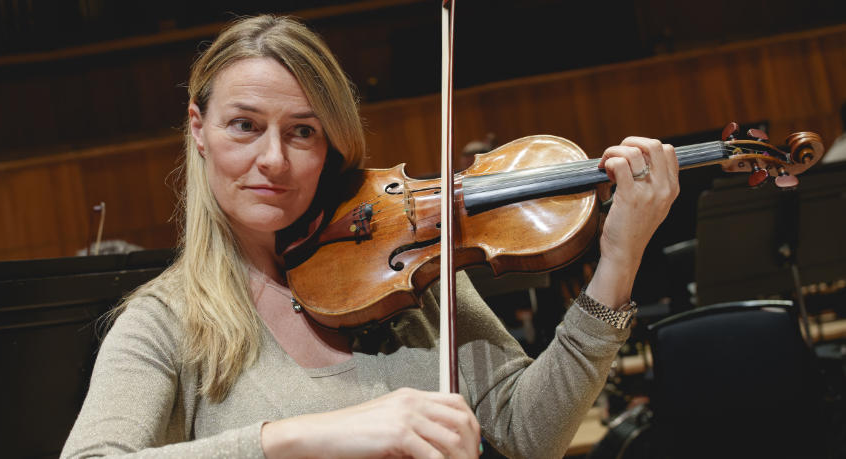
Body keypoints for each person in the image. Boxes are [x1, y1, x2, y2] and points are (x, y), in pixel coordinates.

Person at [62, 15, 679, 459]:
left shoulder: (411, 275)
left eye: (302, 132)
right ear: (199, 129)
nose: (273, 159)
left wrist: (618, 260)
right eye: (244, 126)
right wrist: (307, 437)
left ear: (330, 143)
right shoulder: (162, 323)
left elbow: (530, 433)